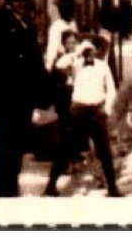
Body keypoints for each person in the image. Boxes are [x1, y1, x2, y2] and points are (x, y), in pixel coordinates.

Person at [0, 0, 49, 197]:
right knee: (7, 144)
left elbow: (34, 62)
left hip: (20, 98)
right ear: (12, 1)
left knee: (16, 144)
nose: (24, 3)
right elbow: (0, 63)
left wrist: (42, 92)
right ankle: (4, 191)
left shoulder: (25, 23)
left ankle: (10, 186)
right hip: (4, 98)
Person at [69, 36, 122, 196]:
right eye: (86, 51)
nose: (89, 55)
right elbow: (61, 64)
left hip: (97, 112)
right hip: (79, 110)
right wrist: (78, 52)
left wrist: (107, 109)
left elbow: (111, 90)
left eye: (92, 51)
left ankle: (112, 187)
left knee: (104, 150)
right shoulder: (76, 65)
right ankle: (51, 185)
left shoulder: (103, 67)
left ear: (97, 52)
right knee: (67, 146)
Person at [42, 14, 84, 196]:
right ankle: (51, 184)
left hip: (78, 107)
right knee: (64, 147)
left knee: (71, 145)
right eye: (69, 43)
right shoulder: (61, 63)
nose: (73, 46)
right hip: (65, 110)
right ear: (64, 45)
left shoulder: (79, 60)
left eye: (75, 43)